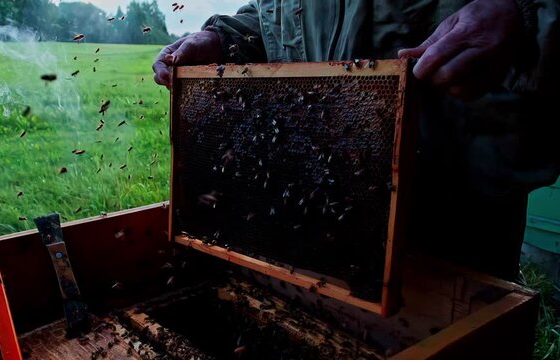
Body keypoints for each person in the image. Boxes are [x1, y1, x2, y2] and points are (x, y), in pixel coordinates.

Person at [153, 0, 560, 281]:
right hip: (318, 196)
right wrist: (228, 39)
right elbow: (277, 15)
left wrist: (525, 14)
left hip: (454, 188)